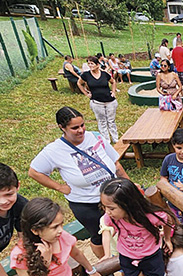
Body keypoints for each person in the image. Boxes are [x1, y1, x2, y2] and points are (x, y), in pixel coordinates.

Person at [29, 106, 128, 258]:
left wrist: (129, 185)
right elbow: (34, 172)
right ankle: (106, 264)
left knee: (124, 225)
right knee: (98, 234)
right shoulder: (54, 150)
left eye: (82, 125)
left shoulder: (94, 136)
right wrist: (59, 187)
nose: (81, 130)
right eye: (75, 127)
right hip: (86, 202)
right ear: (62, 127)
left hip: (113, 195)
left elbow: (115, 164)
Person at [100, 178, 179, 276]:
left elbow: (167, 220)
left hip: (151, 257)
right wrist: (107, 253)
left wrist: (168, 240)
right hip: (128, 258)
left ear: (128, 205)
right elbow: (107, 231)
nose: (107, 212)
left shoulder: (151, 216)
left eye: (111, 208)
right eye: (104, 207)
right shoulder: (113, 217)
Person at [0, 163, 27, 276]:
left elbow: (25, 236)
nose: (3, 201)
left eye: (8, 194)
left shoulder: (20, 205)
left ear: (18, 187)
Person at [77, 55, 118, 144]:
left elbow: (113, 81)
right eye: (89, 64)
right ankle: (106, 140)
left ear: (97, 65)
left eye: (92, 64)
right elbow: (79, 83)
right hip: (97, 102)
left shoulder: (104, 74)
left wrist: (113, 91)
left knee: (111, 121)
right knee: (102, 121)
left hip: (110, 101)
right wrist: (86, 93)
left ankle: (115, 138)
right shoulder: (86, 75)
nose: (90, 65)